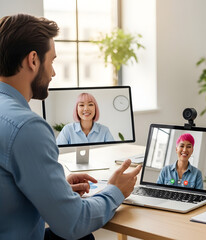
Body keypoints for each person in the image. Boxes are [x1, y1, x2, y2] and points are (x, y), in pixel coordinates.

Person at [0, 14, 141, 239]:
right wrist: (116, 191)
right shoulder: (27, 127)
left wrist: (55, 188)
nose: (53, 72)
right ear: (33, 60)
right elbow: (74, 222)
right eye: (52, 61)